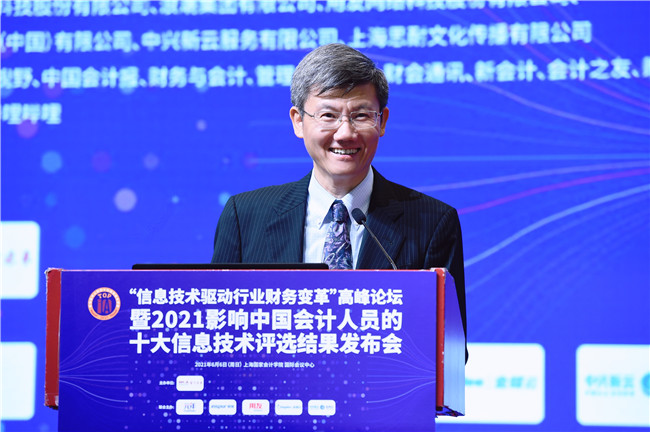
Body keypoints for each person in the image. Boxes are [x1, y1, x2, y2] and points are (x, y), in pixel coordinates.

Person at [211, 43, 467, 353]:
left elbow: (449, 353)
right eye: (328, 115)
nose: (345, 133)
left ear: (382, 121)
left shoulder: (431, 223)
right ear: (298, 121)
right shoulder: (245, 217)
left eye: (361, 115)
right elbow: (218, 336)